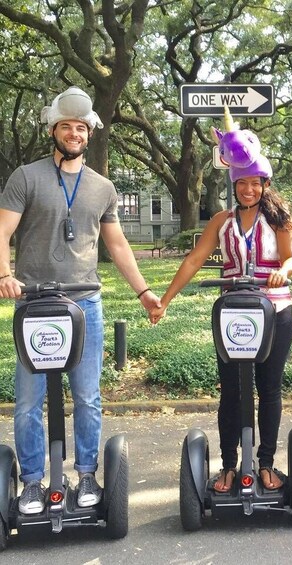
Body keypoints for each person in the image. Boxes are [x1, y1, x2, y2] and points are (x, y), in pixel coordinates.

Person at [0, 86, 161, 515]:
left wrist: (145, 292)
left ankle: (87, 473)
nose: (74, 133)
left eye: (81, 128)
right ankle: (34, 481)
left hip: (84, 302)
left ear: (89, 134)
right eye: (66, 126)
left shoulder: (102, 187)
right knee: (29, 400)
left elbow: (119, 245)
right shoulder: (26, 177)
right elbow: (2, 232)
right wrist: (4, 274)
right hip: (34, 304)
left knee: (88, 396)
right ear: (53, 130)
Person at [150, 113, 292, 493]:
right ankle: (229, 465)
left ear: (265, 184)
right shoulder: (221, 221)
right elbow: (194, 260)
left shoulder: (279, 219)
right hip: (233, 315)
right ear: (234, 185)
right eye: (242, 183)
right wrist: (164, 299)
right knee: (231, 390)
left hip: (275, 311)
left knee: (269, 388)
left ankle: (265, 463)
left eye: (255, 183)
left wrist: (284, 270)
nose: (249, 190)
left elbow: (291, 257)